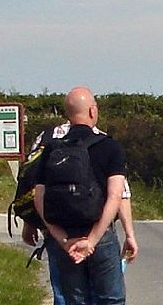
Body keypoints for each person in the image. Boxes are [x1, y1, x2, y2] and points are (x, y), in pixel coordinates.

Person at [25, 87, 130, 305]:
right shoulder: (110, 147)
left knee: (73, 300)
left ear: (68, 114)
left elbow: (38, 197)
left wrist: (63, 240)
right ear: (93, 111)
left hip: (63, 238)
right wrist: (92, 240)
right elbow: (115, 197)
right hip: (100, 237)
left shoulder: (51, 149)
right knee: (111, 299)